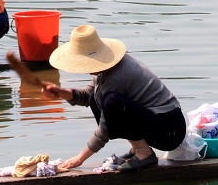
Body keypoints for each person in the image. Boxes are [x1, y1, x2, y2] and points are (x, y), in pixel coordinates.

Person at [42, 24, 185, 173]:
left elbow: (104, 129)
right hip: (156, 123)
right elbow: (88, 95)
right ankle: (137, 148)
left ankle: (144, 153)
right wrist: (60, 92)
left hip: (170, 131)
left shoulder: (117, 77)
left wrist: (80, 158)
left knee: (112, 102)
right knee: (95, 98)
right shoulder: (105, 68)